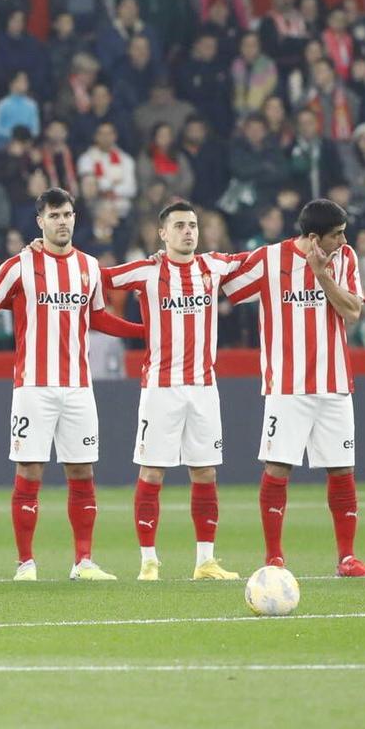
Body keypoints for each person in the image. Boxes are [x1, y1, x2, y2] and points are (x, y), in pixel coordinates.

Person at [0, 189, 144, 580]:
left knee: (82, 472)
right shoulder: (19, 265)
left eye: (68, 214)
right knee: (30, 470)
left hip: (78, 387)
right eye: (55, 215)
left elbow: (100, 318)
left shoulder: (89, 267)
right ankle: (25, 563)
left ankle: (84, 561)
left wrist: (145, 331)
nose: (63, 221)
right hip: (33, 387)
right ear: (40, 221)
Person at [220, 198, 365, 577]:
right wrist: (175, 258)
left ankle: (347, 558)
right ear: (312, 237)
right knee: (277, 467)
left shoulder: (345, 258)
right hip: (287, 386)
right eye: (336, 235)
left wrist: (323, 276)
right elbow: (225, 281)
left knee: (342, 470)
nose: (343, 240)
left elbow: (353, 311)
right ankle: (274, 557)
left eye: (343, 233)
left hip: (334, 383)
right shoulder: (270, 259)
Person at [97, 199, 249, 580]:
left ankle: (205, 561)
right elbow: (95, 277)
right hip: (160, 389)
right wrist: (46, 252)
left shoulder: (213, 266)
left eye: (193, 225)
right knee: (152, 473)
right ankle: (148, 560)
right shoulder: (148, 271)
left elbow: (258, 259)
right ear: (162, 233)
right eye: (179, 225)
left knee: (205, 474)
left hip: (203, 388)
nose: (188, 231)